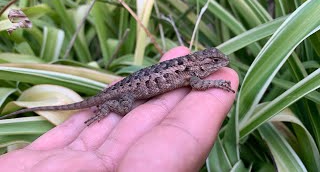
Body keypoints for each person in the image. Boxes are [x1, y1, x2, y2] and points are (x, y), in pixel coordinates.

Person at [0, 46, 238, 171]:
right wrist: (216, 82)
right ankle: (107, 106)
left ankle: (105, 102)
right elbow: (197, 86)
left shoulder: (189, 68)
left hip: (131, 82)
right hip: (129, 91)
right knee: (125, 109)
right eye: (216, 62)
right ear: (203, 62)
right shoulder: (192, 73)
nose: (221, 64)